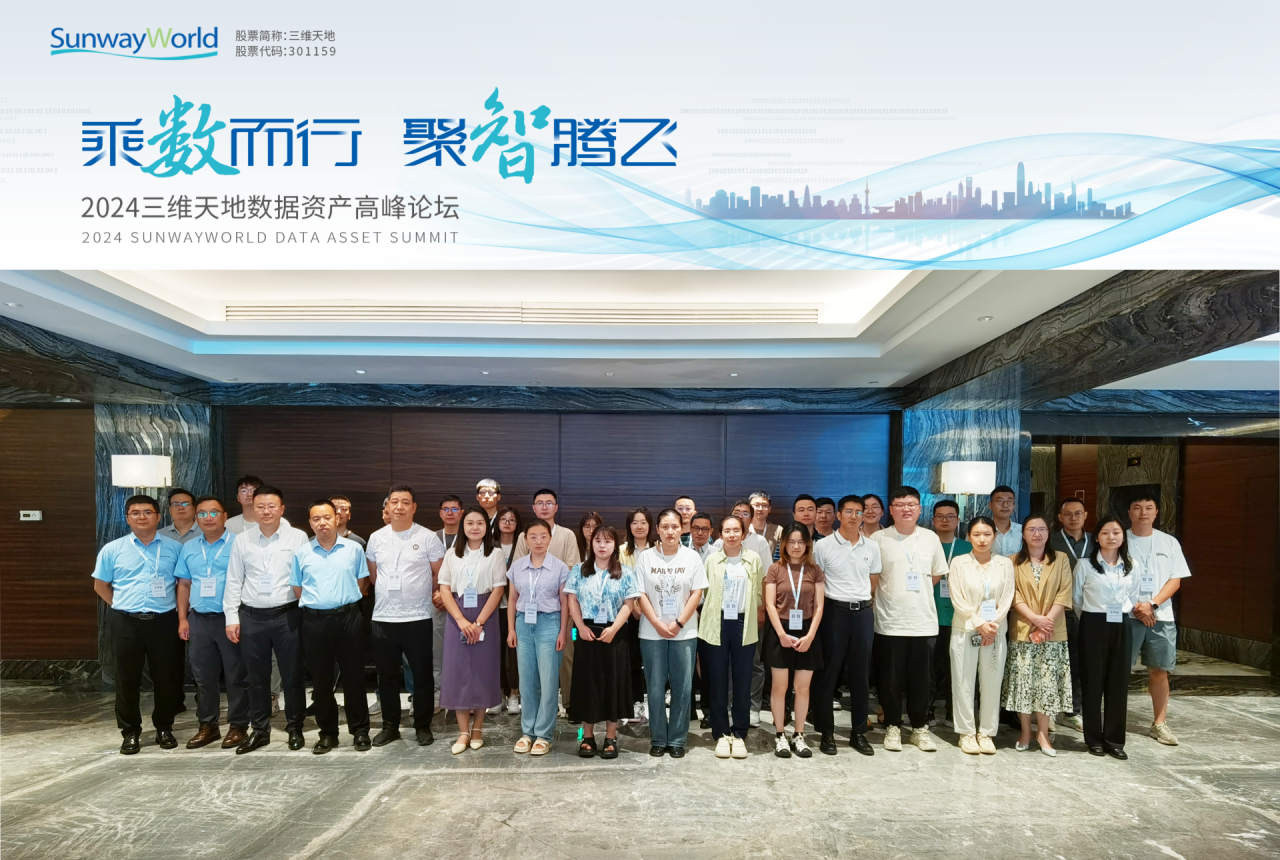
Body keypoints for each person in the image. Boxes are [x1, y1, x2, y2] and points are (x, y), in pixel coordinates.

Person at [91, 495, 184, 755]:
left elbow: (182, 584)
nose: (141, 517)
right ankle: (130, 731)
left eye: (147, 512)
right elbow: (100, 586)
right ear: (127, 518)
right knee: (126, 678)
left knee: (166, 676)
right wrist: (121, 606)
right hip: (126, 622)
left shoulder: (174, 548)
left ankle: (164, 727)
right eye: (135, 513)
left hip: (164, 621)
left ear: (158, 517)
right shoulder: (113, 549)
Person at [223, 485, 310, 755]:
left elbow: (306, 576)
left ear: (282, 509)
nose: (266, 511)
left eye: (272, 506)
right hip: (252, 617)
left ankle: (295, 727)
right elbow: (234, 580)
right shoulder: (242, 540)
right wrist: (231, 617)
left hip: (288, 615)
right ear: (253, 508)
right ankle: (260, 730)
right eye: (260, 506)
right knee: (256, 678)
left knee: (292, 676)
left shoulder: (298, 537)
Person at [365, 484, 445, 747]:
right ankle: (390, 726)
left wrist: (428, 595)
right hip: (383, 618)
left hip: (418, 617)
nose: (399, 507)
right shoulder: (376, 537)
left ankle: (422, 725)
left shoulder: (428, 537)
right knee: (386, 676)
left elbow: (439, 574)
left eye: (405, 502)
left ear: (414, 507)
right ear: (387, 507)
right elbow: (373, 576)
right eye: (394, 502)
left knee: (422, 675)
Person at [870, 486, 949, 752]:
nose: (906, 509)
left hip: (923, 621)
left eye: (911, 504)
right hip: (889, 621)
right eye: (900, 505)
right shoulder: (878, 539)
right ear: (891, 510)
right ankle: (892, 725)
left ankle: (919, 728)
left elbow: (936, 575)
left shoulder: (930, 538)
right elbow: (873, 577)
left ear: (919, 509)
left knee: (922, 680)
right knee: (890, 679)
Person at [290, 500, 370, 754]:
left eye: (327, 517)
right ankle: (328, 734)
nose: (322, 523)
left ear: (337, 518)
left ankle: (360, 731)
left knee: (354, 677)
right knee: (321, 681)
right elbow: (298, 588)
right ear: (310, 523)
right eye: (316, 519)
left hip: (349, 618)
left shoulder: (354, 549)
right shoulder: (302, 553)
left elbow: (362, 583)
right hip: (315, 621)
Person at [174, 495, 249, 750]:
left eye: (214, 512)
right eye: (202, 514)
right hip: (199, 620)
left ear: (225, 516)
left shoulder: (239, 544)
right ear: (196, 518)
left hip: (230, 619)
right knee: (203, 677)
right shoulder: (189, 547)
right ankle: (208, 725)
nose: (208, 518)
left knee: (236, 676)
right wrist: (182, 618)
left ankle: (238, 725)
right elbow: (184, 584)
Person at [635, 508, 708, 758]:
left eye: (674, 526)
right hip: (651, 632)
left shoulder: (692, 557)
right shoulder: (646, 558)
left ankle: (677, 739)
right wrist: (657, 623)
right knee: (655, 687)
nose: (670, 531)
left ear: (681, 529)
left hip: (684, 632)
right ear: (657, 529)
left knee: (683, 687)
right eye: (665, 527)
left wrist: (679, 623)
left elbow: (697, 593)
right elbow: (640, 594)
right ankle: (658, 737)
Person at [811, 495, 881, 756]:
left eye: (858, 512)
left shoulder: (871, 547)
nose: (854, 516)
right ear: (838, 515)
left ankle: (858, 732)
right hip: (834, 612)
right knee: (828, 673)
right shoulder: (823, 546)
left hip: (862, 612)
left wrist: (859, 600)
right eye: (848, 511)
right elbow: (817, 581)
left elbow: (873, 580)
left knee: (861, 675)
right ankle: (826, 733)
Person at [566, 525, 641, 760]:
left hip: (615, 632)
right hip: (586, 631)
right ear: (591, 543)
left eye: (607, 541)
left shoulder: (625, 572)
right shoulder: (579, 570)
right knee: (587, 684)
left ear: (614, 545)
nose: (602, 545)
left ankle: (611, 737)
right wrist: (580, 627)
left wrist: (614, 628)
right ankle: (586, 736)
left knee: (613, 683)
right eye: (598, 541)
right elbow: (572, 600)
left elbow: (629, 604)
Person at [437, 507, 507, 754]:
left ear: (487, 527)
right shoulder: (451, 554)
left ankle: (477, 728)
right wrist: (461, 621)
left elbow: (498, 590)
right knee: (457, 672)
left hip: (485, 613)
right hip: (457, 614)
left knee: (481, 672)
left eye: (480, 523)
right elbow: (444, 588)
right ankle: (463, 732)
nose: (475, 527)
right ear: (463, 526)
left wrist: (478, 623)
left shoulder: (496, 554)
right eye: (470, 523)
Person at [1003, 516, 1074, 757]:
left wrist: (1046, 622)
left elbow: (1064, 592)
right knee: (1024, 684)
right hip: (1023, 630)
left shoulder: (1060, 559)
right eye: (1031, 529)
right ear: (1023, 534)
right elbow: (1013, 594)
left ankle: (1043, 733)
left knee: (1047, 684)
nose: (1037, 534)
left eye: (1042, 529)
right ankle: (1025, 732)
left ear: (1048, 533)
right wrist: (1035, 618)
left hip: (1052, 631)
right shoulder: (1012, 561)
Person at [1127, 492, 1191, 746]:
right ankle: (1111, 720)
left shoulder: (1169, 542)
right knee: (1118, 669)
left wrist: (1151, 604)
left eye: (1148, 507)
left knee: (1159, 670)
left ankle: (1160, 724)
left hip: (1160, 616)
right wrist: (1135, 607)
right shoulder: (1119, 539)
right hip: (1128, 615)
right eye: (1137, 507)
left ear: (1156, 512)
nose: (1143, 512)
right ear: (1129, 512)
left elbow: (1175, 580)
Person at [947, 516, 1015, 755]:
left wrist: (992, 625)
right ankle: (966, 733)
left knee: (992, 683)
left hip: (994, 633)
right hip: (965, 629)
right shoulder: (959, 562)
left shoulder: (1004, 564)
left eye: (987, 534)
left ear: (994, 536)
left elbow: (1007, 598)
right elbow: (957, 597)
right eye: (976, 534)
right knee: (963, 682)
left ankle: (986, 732)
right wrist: (978, 623)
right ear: (969, 536)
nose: (982, 539)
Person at [699, 514, 765, 760]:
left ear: (744, 533)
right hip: (716, 622)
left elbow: (759, 592)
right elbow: (704, 593)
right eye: (727, 530)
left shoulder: (753, 559)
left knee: (742, 680)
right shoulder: (712, 559)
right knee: (717, 680)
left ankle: (739, 733)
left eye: (736, 530)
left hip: (743, 622)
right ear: (720, 534)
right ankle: (720, 733)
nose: (732, 535)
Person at [513, 489, 582, 713]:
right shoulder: (525, 536)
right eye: (540, 503)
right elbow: (517, 570)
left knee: (567, 654)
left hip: (561, 605)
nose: (544, 507)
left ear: (556, 507)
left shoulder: (567, 535)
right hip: (530, 610)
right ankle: (540, 709)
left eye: (549, 503)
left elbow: (572, 569)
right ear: (533, 508)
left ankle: (569, 703)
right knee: (532, 664)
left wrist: (550, 577)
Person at [1073, 516, 1136, 759]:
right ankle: (1094, 739)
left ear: (1123, 537)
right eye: (1105, 533)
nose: (1111, 537)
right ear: (1097, 537)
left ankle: (1115, 741)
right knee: (1092, 682)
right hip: (1093, 623)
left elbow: (1134, 594)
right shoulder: (1085, 565)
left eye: (1116, 532)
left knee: (1118, 683)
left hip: (1121, 624)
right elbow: (1077, 599)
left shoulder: (1131, 564)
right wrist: (1093, 618)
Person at [506, 520, 570, 756]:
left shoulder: (560, 568)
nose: (538, 541)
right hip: (523, 624)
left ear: (550, 539)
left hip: (549, 624)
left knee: (548, 681)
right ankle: (527, 732)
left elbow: (564, 602)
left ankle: (544, 734)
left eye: (543, 536)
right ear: (525, 540)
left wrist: (563, 631)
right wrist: (511, 629)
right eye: (533, 536)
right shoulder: (517, 566)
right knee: (526, 680)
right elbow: (512, 600)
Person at [764, 523, 827, 759]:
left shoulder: (815, 570)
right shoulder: (775, 569)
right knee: (779, 687)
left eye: (801, 542)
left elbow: (819, 606)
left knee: (802, 687)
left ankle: (799, 734)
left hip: (807, 631)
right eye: (791, 541)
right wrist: (781, 634)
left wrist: (810, 636)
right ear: (784, 544)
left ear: (808, 544)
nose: (796, 546)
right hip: (780, 630)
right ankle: (780, 734)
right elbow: (770, 604)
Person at [1049, 497, 1090, 733]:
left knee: (1079, 663)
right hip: (1058, 611)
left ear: (1085, 516)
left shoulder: (1096, 540)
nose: (1073, 518)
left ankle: (1073, 711)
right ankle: (1048, 710)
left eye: (1078, 513)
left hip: (1089, 611)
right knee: (1054, 661)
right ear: (1060, 517)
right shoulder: (1050, 540)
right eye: (1068, 514)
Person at [929, 500, 971, 728]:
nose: (945, 520)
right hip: (929, 616)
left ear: (958, 520)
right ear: (933, 519)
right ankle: (927, 710)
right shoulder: (925, 545)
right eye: (940, 516)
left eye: (950, 516)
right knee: (929, 668)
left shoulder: (968, 548)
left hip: (958, 616)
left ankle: (952, 712)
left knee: (956, 668)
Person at [620, 506, 657, 723]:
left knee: (655, 660)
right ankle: (636, 702)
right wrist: (634, 607)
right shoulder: (621, 551)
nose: (639, 526)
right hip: (630, 613)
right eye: (635, 522)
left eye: (643, 522)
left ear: (650, 525)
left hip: (657, 612)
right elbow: (619, 580)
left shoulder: (659, 549)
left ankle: (655, 701)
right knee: (633, 659)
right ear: (629, 526)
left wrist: (649, 609)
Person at [430, 494, 465, 712]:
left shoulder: (470, 536)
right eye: (446, 509)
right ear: (440, 513)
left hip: (463, 600)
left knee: (464, 650)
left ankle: (462, 693)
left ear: (462, 512)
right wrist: (437, 594)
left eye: (454, 509)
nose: (450, 513)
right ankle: (438, 693)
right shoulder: (431, 538)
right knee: (438, 649)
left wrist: (449, 594)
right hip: (436, 601)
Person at [492, 505, 523, 715]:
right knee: (495, 651)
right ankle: (498, 695)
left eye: (512, 519)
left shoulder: (522, 544)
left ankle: (513, 694)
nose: (507, 523)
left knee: (514, 651)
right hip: (493, 606)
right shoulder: (490, 545)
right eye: (503, 519)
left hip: (517, 604)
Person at [748, 491, 783, 560]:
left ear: (769, 509)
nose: (760, 509)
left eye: (764, 505)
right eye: (756, 505)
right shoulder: (743, 529)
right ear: (749, 507)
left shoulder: (778, 530)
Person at [989, 485, 1022, 557]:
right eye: (1000, 501)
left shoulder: (1022, 531)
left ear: (1014, 505)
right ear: (990, 505)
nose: (1005, 505)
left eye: (1009, 501)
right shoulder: (979, 531)